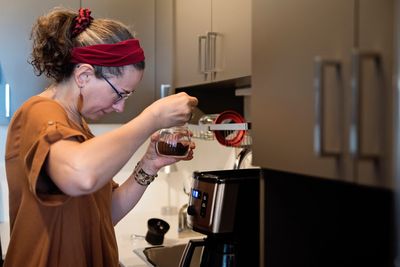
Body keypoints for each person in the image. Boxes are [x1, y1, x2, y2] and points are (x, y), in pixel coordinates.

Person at [4, 7, 198, 267]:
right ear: (84, 75)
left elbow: (106, 212)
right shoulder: (38, 113)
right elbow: (80, 176)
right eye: (121, 94)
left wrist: (149, 165)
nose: (120, 107)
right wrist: (152, 117)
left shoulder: (78, 125)